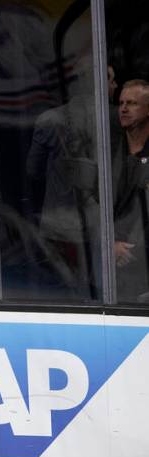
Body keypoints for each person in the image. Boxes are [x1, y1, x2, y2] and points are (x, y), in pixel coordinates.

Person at [112, 79, 149, 302]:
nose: (124, 109)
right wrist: (109, 243)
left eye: (132, 103)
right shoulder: (108, 149)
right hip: (110, 262)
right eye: (121, 103)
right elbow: (92, 202)